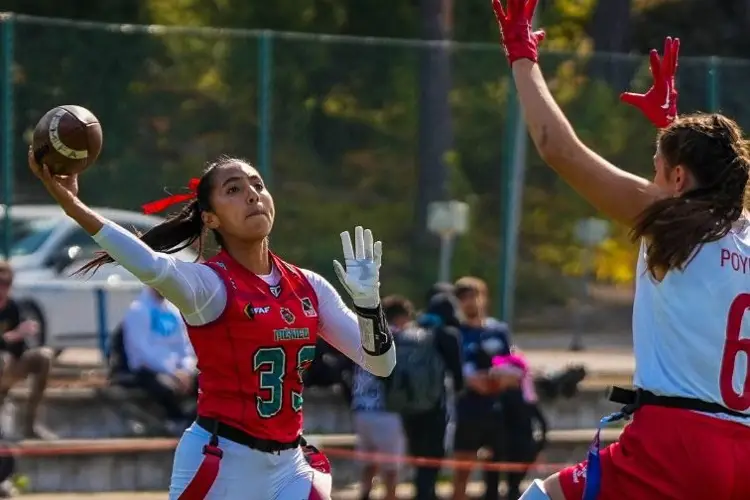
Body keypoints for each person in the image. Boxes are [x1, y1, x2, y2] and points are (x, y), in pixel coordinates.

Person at [28, 151, 396, 500]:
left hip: (290, 465)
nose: (252, 195)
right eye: (233, 189)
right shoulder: (210, 285)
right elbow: (152, 265)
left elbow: (380, 363)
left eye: (257, 185)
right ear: (210, 218)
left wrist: (368, 304)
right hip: (223, 463)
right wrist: (74, 208)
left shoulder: (309, 285)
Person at [492, 1, 750, 499]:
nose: (647, 181)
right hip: (741, 450)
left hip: (676, 444)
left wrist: (522, 55)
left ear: (677, 178)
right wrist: (673, 127)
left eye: (656, 168)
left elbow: (555, 147)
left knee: (540, 497)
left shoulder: (672, 224)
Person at [450, 277, 517, 500]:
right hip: (467, 407)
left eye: (475, 296)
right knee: (462, 470)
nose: (471, 302)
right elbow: (454, 370)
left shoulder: (498, 331)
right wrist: (471, 380)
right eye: (465, 298)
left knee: (495, 469)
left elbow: (511, 364)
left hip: (497, 407)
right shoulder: (456, 333)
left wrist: (499, 377)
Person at [397, 291, 463, 500]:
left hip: (408, 406)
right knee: (433, 457)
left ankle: (421, 492)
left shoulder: (409, 332)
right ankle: (427, 494)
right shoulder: (448, 335)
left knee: (418, 457)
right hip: (435, 406)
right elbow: (458, 375)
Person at [351, 295, 411, 500]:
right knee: (391, 469)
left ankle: (365, 494)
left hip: (361, 409)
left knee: (368, 464)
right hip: (386, 411)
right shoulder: (398, 337)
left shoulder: (366, 336)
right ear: (401, 317)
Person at [122, 287, 197, 435]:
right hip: (148, 369)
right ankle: (176, 421)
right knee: (166, 388)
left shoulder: (173, 312)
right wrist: (173, 372)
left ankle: (196, 420)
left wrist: (186, 369)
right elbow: (143, 350)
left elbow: (185, 346)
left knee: (207, 381)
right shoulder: (138, 311)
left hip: (178, 371)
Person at [0, 261, 54, 440]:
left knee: (43, 356)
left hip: (10, 366)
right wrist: (14, 335)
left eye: (7, 284)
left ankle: (30, 424)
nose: (3, 289)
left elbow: (18, 349)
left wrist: (26, 335)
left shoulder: (13, 307)